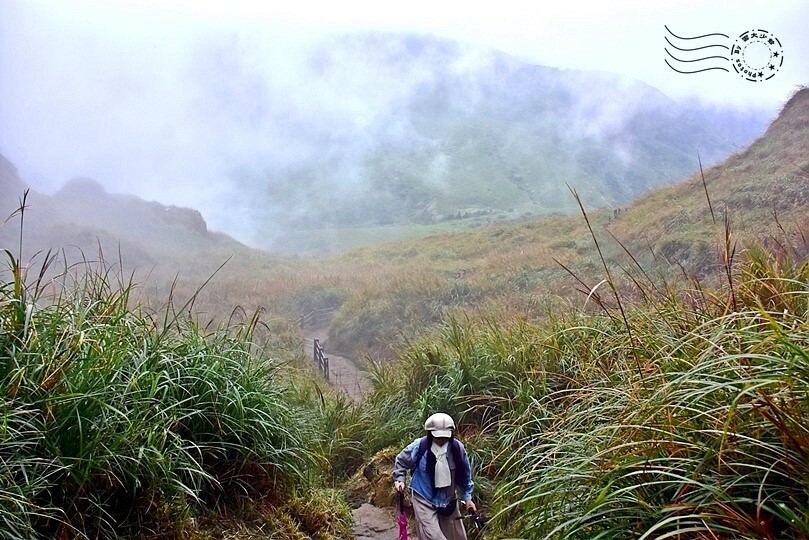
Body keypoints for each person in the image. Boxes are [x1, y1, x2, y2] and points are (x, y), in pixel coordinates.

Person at [392, 412, 477, 540]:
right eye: (438, 437)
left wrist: (467, 498)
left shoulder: (457, 449)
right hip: (424, 498)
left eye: (445, 437)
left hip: (448, 500)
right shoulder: (419, 447)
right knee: (434, 536)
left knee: (457, 536)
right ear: (430, 433)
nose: (441, 440)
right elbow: (401, 461)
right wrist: (399, 479)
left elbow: (465, 475)